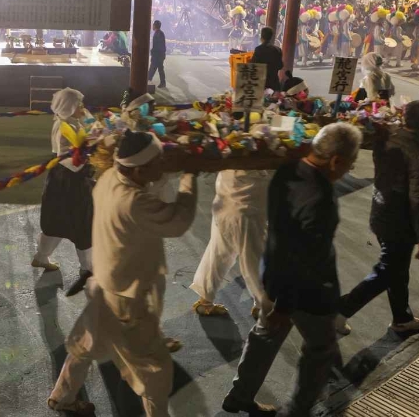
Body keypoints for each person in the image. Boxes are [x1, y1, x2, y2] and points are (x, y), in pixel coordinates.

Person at [48, 130, 198, 417]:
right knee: (155, 369)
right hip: (128, 297)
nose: (163, 164)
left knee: (86, 344)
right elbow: (178, 222)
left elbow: (146, 180)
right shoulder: (135, 201)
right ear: (140, 169)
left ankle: (63, 397)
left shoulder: (107, 179)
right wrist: (190, 176)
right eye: (159, 161)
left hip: (104, 282)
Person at [223, 122, 361, 417]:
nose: (349, 170)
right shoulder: (320, 199)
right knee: (320, 348)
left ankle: (239, 395)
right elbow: (303, 256)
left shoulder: (287, 170)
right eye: (351, 163)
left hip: (271, 275)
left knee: (264, 336)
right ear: (336, 160)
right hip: (304, 292)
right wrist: (284, 305)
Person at [336, 100, 419, 336]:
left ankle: (402, 318)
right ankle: (340, 310)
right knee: (388, 271)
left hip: (381, 214)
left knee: (397, 269)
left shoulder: (386, 138)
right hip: (401, 224)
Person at [31, 88, 94, 297]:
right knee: (82, 223)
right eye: (80, 105)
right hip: (69, 180)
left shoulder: (71, 121)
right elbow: (68, 158)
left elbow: (90, 132)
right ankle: (88, 269)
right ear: (71, 107)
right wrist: (89, 160)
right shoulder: (63, 126)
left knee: (57, 221)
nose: (84, 108)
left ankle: (42, 256)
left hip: (63, 180)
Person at [190, 168, 271, 320]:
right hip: (245, 210)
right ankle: (263, 305)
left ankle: (205, 300)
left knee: (219, 252)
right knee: (253, 259)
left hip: (226, 202)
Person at [250, 26, 283, 92]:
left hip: (261, 83)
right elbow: (280, 66)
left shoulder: (259, 49)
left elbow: (252, 64)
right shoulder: (278, 49)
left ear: (261, 37)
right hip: (274, 83)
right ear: (271, 37)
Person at [148, 20, 167, 89]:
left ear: (155, 26)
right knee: (158, 69)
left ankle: (148, 80)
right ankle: (162, 82)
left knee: (154, 68)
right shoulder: (160, 33)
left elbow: (158, 46)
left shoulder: (158, 34)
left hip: (157, 55)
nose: (152, 26)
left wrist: (153, 52)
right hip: (159, 55)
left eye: (153, 25)